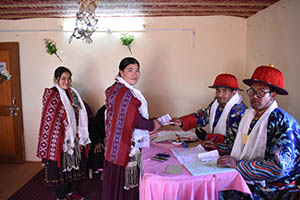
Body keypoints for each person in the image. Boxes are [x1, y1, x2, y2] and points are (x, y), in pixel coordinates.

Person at [217, 65, 300, 200]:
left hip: (272, 190)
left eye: (261, 92)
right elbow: (240, 148)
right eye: (252, 91)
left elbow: (278, 168)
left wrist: (238, 165)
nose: (254, 96)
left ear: (273, 95)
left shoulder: (284, 123)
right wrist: (217, 148)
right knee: (209, 186)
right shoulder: (248, 116)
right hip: (248, 180)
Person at [101, 57, 161, 200]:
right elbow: (133, 119)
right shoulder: (122, 92)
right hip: (122, 146)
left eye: (137, 70)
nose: (135, 74)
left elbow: (131, 116)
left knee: (122, 183)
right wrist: (153, 125)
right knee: (123, 183)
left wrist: (152, 122)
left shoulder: (124, 90)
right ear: (121, 72)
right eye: (130, 70)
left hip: (118, 143)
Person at [37, 66, 91, 200]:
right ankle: (61, 196)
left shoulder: (72, 93)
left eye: (69, 78)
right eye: (63, 79)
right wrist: (63, 131)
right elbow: (51, 118)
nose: (67, 82)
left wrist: (79, 129)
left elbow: (79, 111)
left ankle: (70, 192)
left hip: (74, 136)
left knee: (75, 167)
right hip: (60, 139)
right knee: (61, 170)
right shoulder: (52, 94)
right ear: (56, 79)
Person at [172, 73, 247, 151]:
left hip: (229, 156)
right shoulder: (216, 103)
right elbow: (204, 116)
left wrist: (215, 143)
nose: (220, 94)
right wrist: (182, 121)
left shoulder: (239, 111)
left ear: (234, 92)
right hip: (212, 148)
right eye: (218, 90)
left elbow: (242, 142)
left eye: (224, 91)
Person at [87, 105, 106, 179]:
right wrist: (99, 141)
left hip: (115, 139)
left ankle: (106, 170)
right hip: (101, 138)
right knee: (97, 148)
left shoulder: (122, 110)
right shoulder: (103, 110)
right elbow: (95, 127)